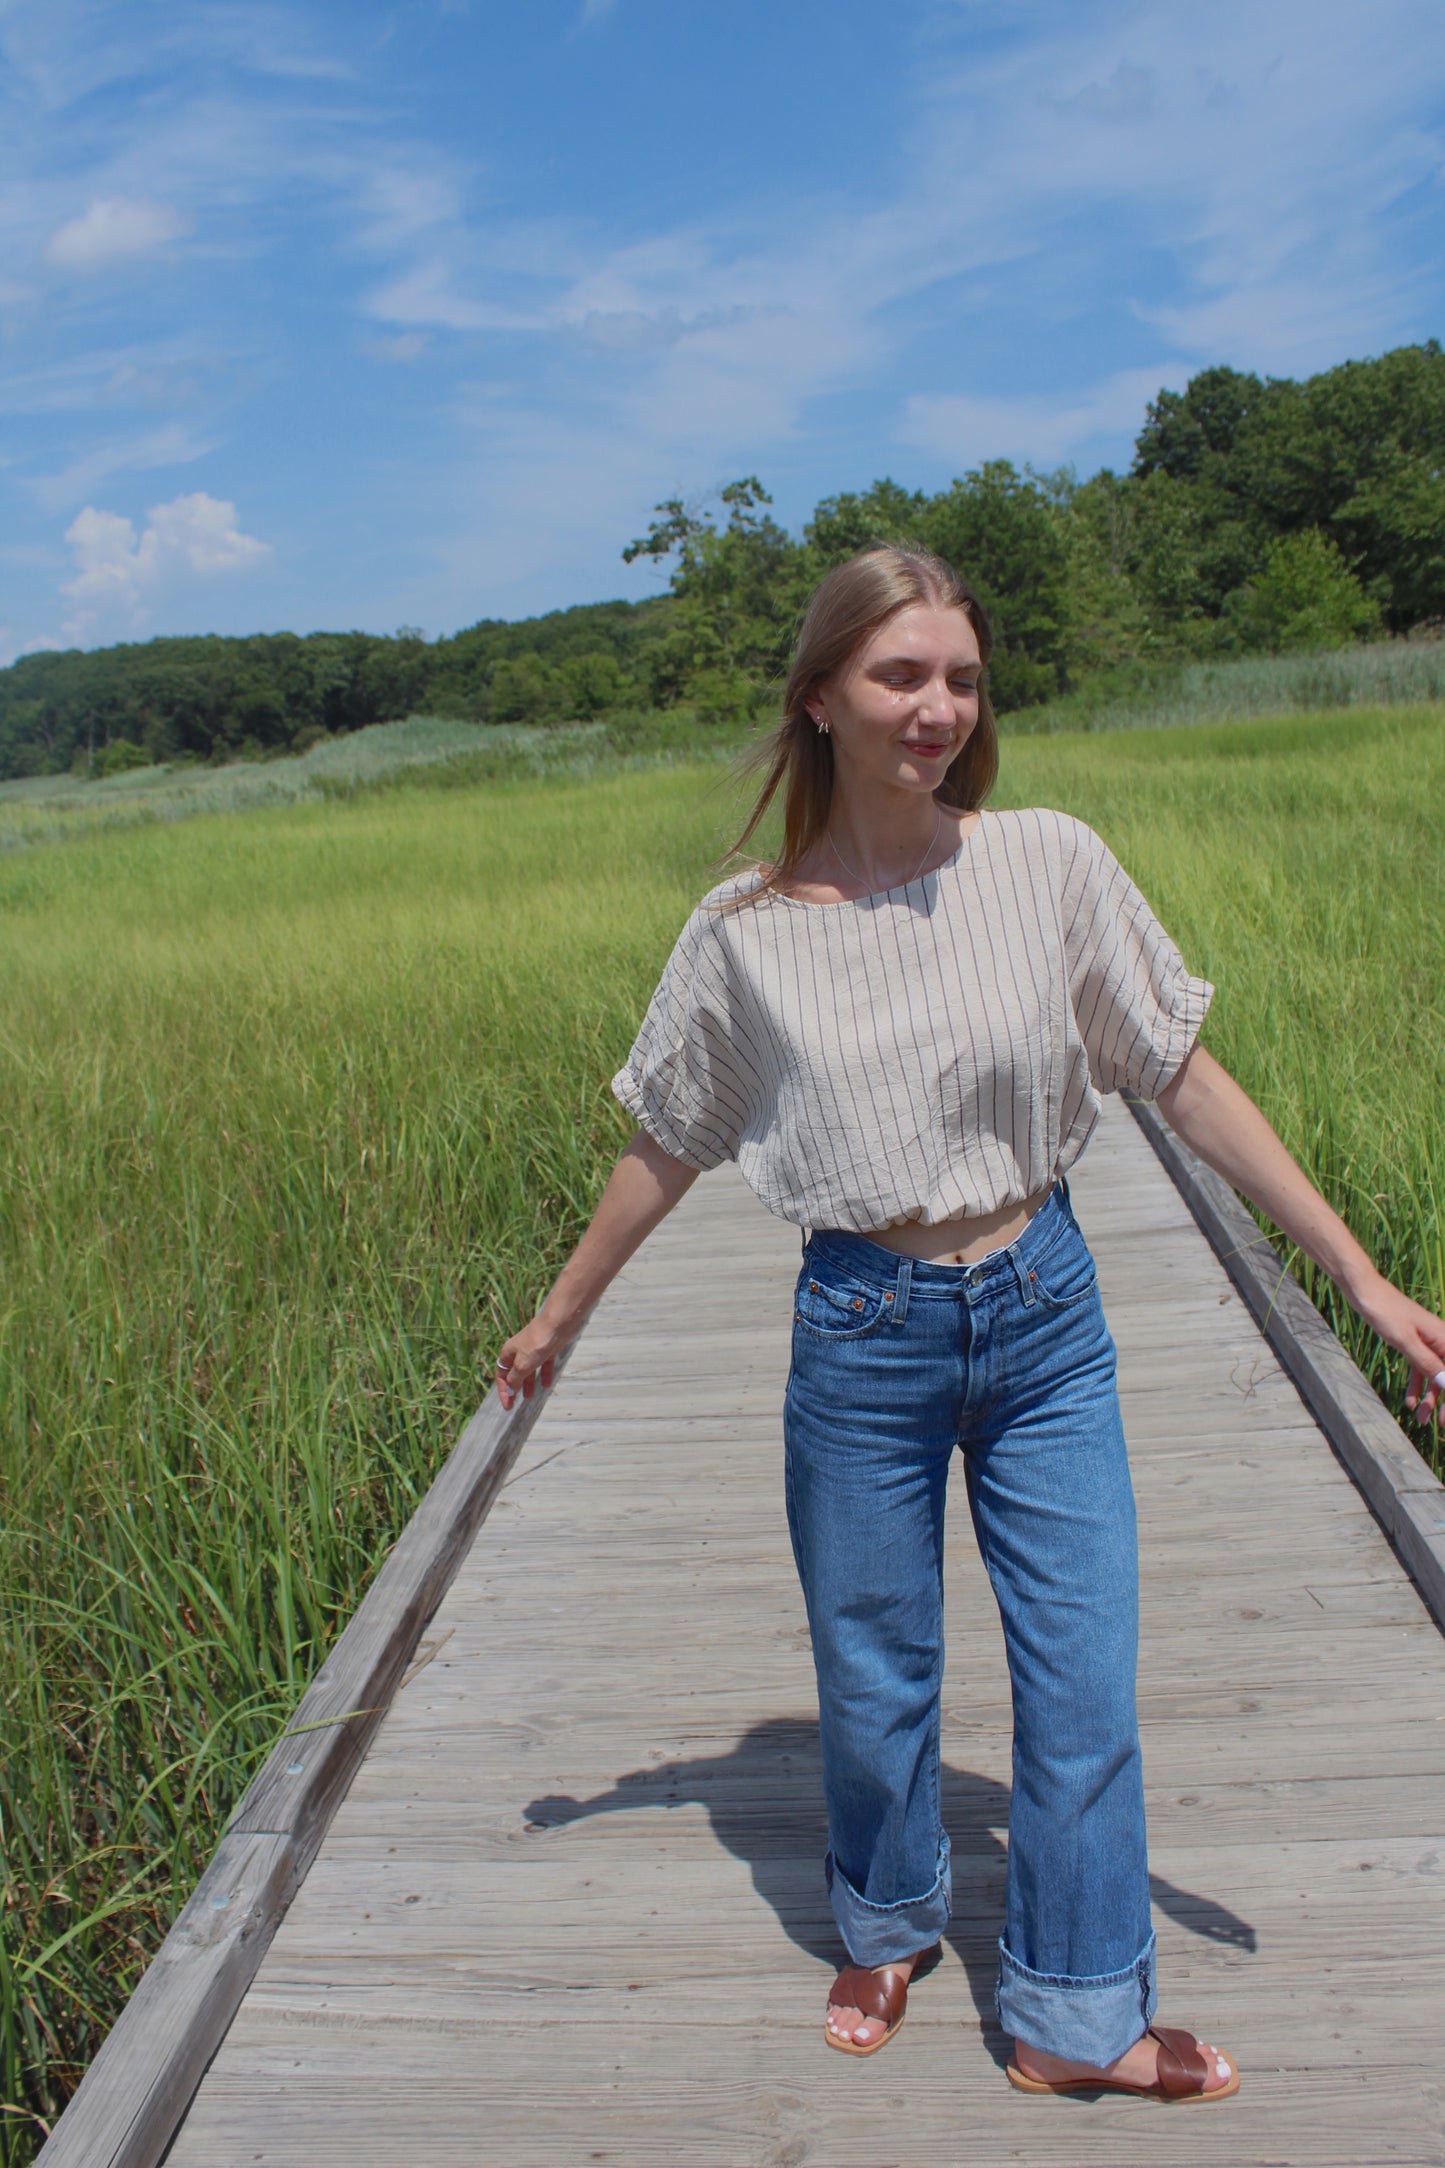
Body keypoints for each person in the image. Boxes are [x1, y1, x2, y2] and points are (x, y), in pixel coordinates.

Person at [496, 545, 1445, 2103]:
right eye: (898, 675)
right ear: (819, 699)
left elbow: (1178, 1077)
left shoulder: (1048, 862)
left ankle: (1078, 2015)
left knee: (1082, 1672)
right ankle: (885, 1916)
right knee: (872, 1673)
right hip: (859, 1326)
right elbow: (666, 1134)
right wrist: (557, 1317)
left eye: (958, 677)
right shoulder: (740, 934)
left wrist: (1355, 1272)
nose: (936, 707)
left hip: (1041, 1311)